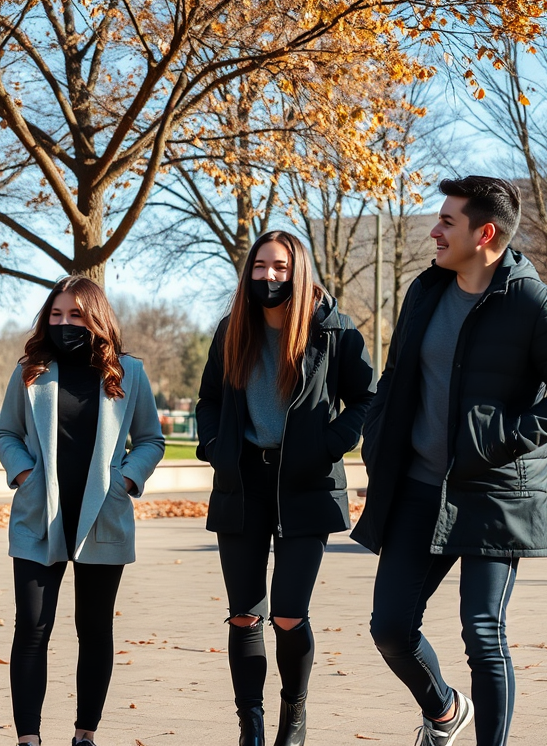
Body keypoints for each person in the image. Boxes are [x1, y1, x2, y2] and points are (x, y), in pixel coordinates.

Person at [351, 176, 547, 746]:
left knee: (483, 633)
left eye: (447, 221)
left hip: (493, 493)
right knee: (391, 630)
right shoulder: (425, 292)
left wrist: (504, 439)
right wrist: (378, 436)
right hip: (416, 490)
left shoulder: (534, 302)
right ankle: (445, 709)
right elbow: (395, 376)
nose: (434, 230)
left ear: (484, 234)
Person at [195, 231, 375, 746]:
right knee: (245, 614)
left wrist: (328, 444)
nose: (268, 276)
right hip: (242, 484)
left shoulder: (335, 333)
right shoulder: (231, 330)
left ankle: (292, 718)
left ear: (298, 271)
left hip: (307, 486)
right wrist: (214, 446)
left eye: (279, 267)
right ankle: (249, 725)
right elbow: (208, 399)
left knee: (289, 613)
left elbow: (366, 399)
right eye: (259, 267)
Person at [0, 275, 166, 746]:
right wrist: (24, 475)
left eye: (74, 314)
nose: (64, 323)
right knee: (32, 626)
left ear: (95, 318)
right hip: (38, 516)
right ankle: (28, 738)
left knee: (94, 630)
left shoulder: (128, 373)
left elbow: (151, 438)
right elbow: (5, 433)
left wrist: (127, 479)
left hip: (102, 518)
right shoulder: (30, 371)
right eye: (55, 314)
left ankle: (84, 733)